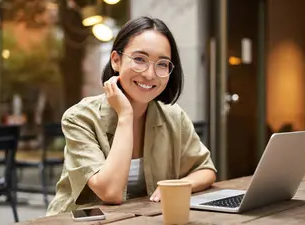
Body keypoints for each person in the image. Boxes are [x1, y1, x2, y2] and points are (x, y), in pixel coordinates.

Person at [46, 16, 217, 215]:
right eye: (139, 59)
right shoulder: (80, 117)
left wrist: (179, 185)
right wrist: (125, 115)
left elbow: (206, 170)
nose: (150, 74)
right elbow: (110, 192)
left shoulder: (173, 117)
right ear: (116, 61)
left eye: (162, 64)